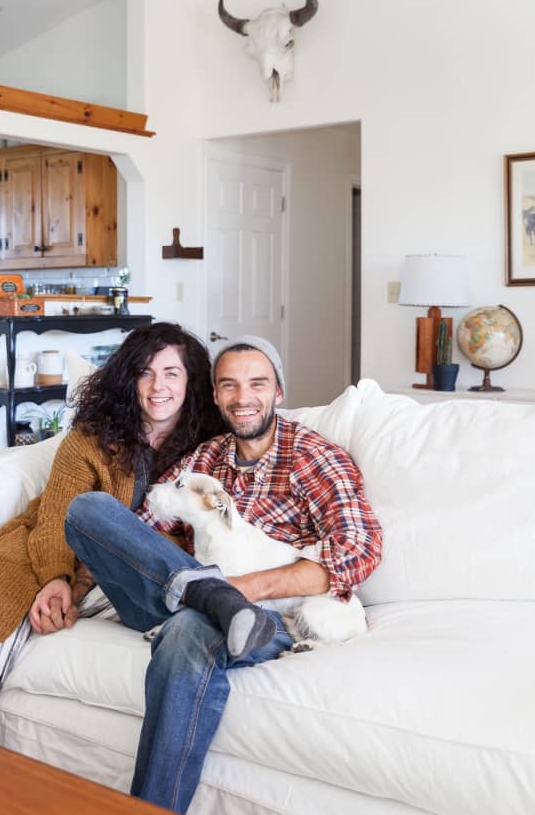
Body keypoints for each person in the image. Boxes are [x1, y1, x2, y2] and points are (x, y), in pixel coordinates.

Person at [63, 335, 383, 814]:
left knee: (191, 629)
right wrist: (73, 585)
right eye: (229, 385)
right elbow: (141, 532)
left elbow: (359, 550)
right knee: (89, 509)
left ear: (278, 391)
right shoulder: (207, 458)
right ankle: (203, 594)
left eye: (257, 383)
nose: (242, 397)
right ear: (215, 396)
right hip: (184, 592)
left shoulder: (314, 457)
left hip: (265, 617)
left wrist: (241, 591)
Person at [0, 322, 224, 735]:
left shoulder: (210, 447)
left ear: (191, 381)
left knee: (171, 594)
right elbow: (56, 513)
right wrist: (56, 579)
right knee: (4, 596)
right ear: (129, 379)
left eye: (172, 373)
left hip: (141, 569)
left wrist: (80, 584)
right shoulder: (90, 437)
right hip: (50, 545)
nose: (158, 385)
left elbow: (186, 541)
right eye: (146, 372)